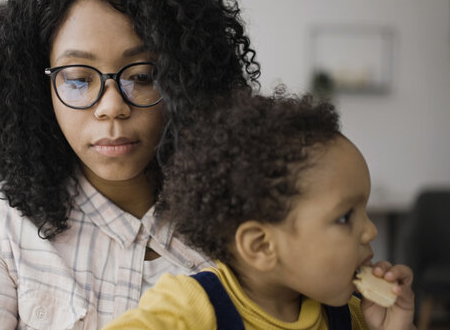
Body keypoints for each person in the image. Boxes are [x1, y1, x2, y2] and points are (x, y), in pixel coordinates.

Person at [0, 0, 260, 328]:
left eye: (142, 76)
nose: (111, 107)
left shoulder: (246, 228)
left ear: (186, 80)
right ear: (40, 90)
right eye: (79, 79)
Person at [103, 90, 416, 330]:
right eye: (345, 216)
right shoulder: (188, 307)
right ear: (261, 245)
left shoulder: (355, 315)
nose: (371, 230)